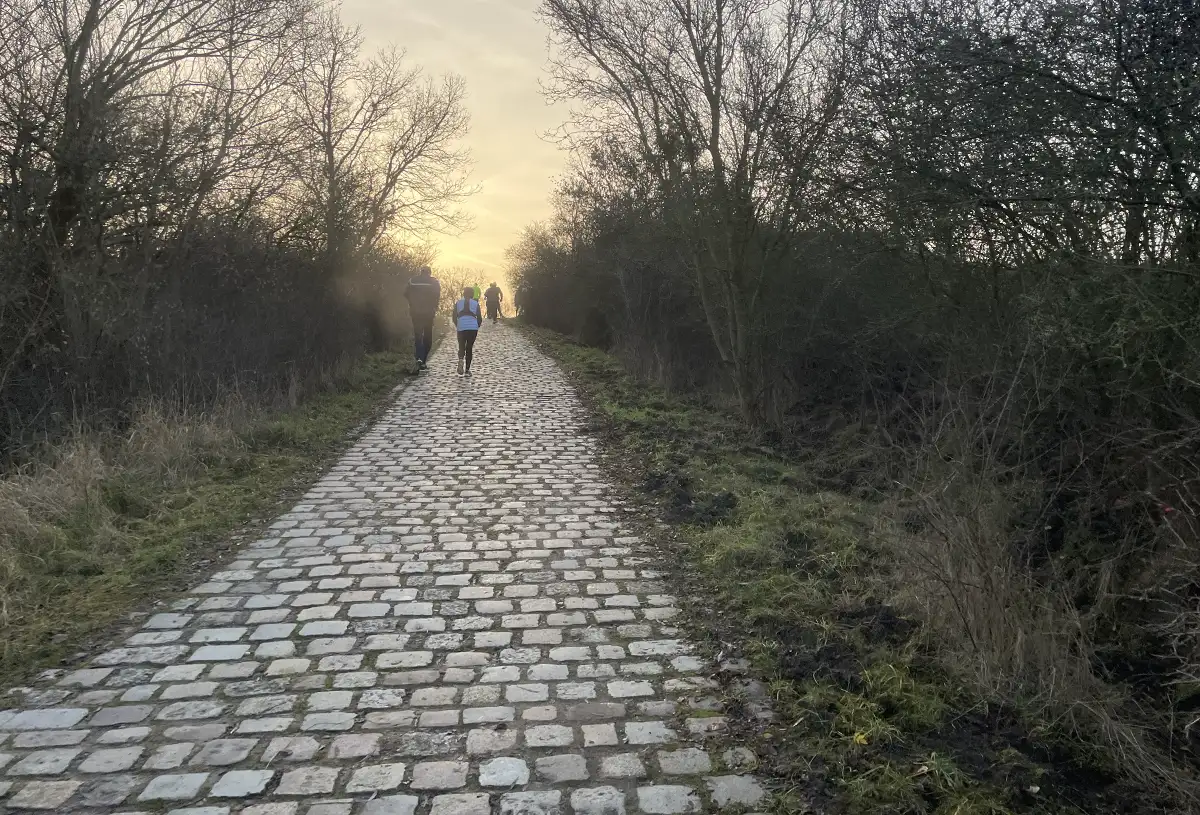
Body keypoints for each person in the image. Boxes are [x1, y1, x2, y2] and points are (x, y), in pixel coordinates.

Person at [403, 265, 441, 369]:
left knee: (418, 335)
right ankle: (423, 360)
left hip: (415, 312)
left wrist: (412, 303)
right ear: (430, 272)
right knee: (428, 335)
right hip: (428, 312)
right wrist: (434, 306)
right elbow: (437, 295)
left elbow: (405, 293)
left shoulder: (412, 280)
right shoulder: (434, 282)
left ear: (421, 272)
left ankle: (419, 357)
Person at [453, 286, 483, 376]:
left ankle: (461, 359)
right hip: (472, 327)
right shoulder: (475, 303)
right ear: (472, 294)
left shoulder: (458, 303)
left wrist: (457, 325)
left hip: (461, 326)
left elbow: (454, 317)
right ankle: (467, 370)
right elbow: (479, 318)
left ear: (463, 293)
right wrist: (477, 326)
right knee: (469, 348)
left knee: (461, 346)